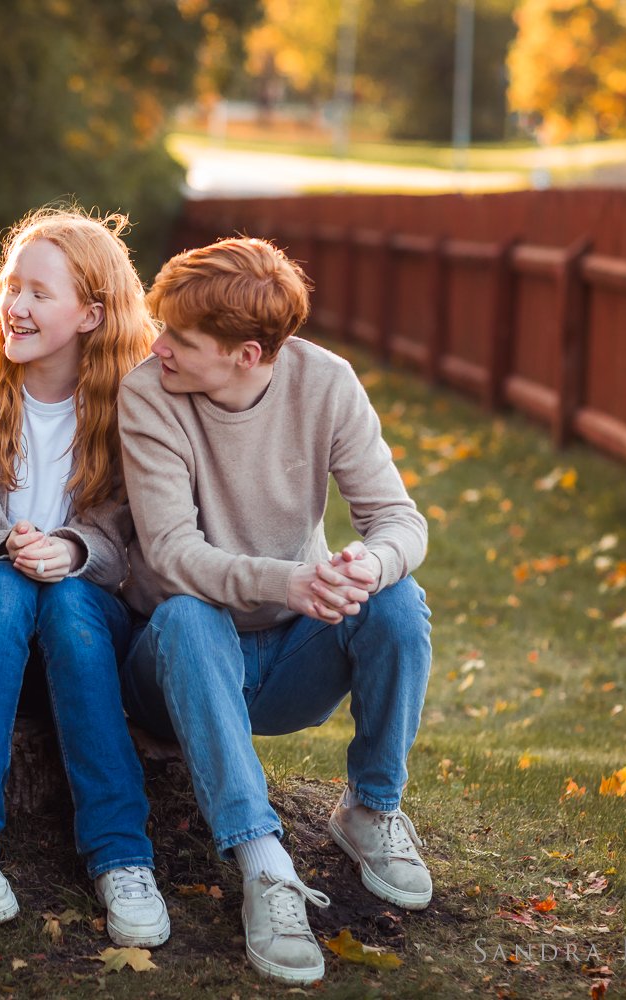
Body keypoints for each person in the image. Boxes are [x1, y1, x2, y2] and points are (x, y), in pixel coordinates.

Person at [116, 237, 432, 984]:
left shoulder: (326, 383)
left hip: (292, 655)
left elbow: (400, 521)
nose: (157, 347)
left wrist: (365, 565)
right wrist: (290, 580)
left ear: (246, 353)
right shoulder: (148, 394)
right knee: (188, 614)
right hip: (176, 665)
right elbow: (170, 553)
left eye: (180, 339)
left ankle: (372, 810)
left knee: (398, 600)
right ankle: (262, 862)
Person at [0, 207, 170, 947]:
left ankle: (122, 856)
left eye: (38, 292)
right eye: (10, 287)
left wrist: (74, 551)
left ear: (92, 314)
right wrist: (17, 549)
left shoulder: (131, 411)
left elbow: (134, 536)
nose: (15, 307)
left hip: (83, 645)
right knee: (4, 588)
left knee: (67, 600)